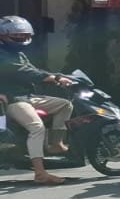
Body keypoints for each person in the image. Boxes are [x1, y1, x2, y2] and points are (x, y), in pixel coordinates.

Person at [0, 15, 76, 186]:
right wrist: (55, 78)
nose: (21, 38)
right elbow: (24, 72)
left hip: (28, 97)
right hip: (13, 100)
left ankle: (56, 144)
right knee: (36, 127)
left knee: (65, 105)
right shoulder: (2, 55)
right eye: (16, 35)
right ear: (2, 36)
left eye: (24, 35)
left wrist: (59, 76)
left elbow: (34, 70)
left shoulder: (18, 54)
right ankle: (40, 173)